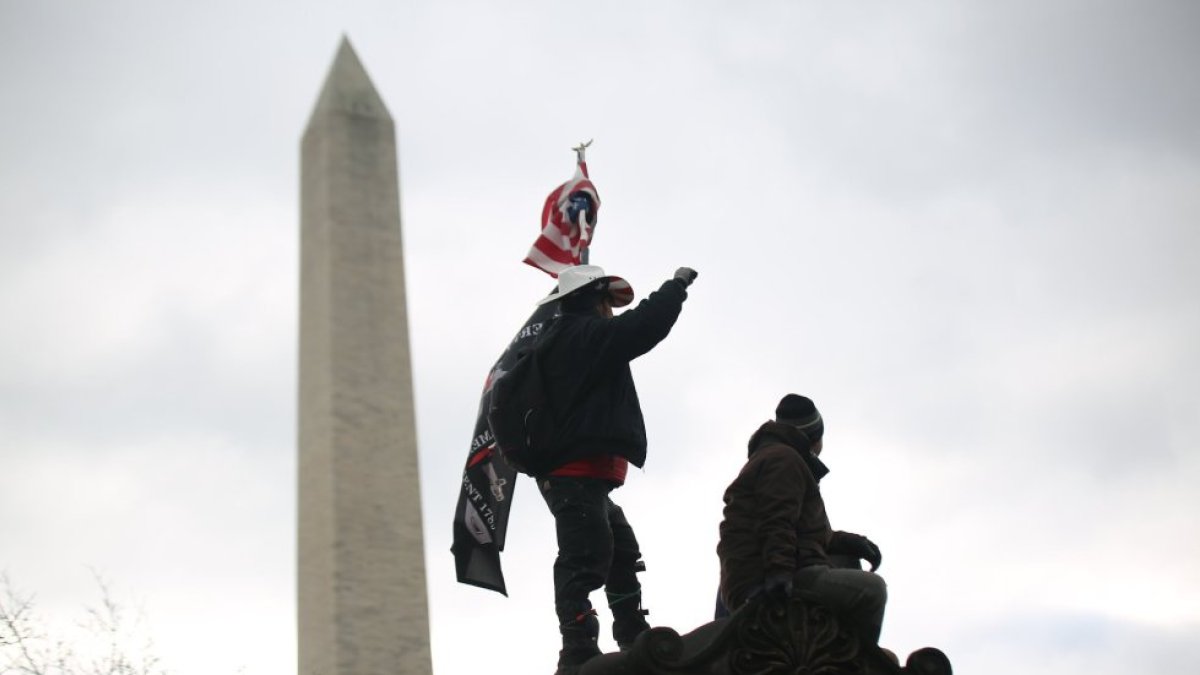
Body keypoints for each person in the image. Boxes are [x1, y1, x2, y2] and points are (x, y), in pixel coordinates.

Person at [533, 263, 697, 674]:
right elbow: (644, 326)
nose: (612, 310)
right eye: (608, 301)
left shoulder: (565, 337)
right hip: (573, 473)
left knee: (619, 550)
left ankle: (631, 632)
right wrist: (675, 287)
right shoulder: (580, 336)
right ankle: (577, 649)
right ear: (593, 299)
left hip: (581, 475)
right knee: (584, 557)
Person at [715, 394, 888, 644]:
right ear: (814, 438)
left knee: (846, 559)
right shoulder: (784, 460)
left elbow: (807, 533)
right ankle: (854, 659)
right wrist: (778, 575)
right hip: (766, 578)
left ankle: (836, 646)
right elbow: (777, 520)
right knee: (871, 591)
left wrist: (854, 543)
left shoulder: (776, 457)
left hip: (768, 569)